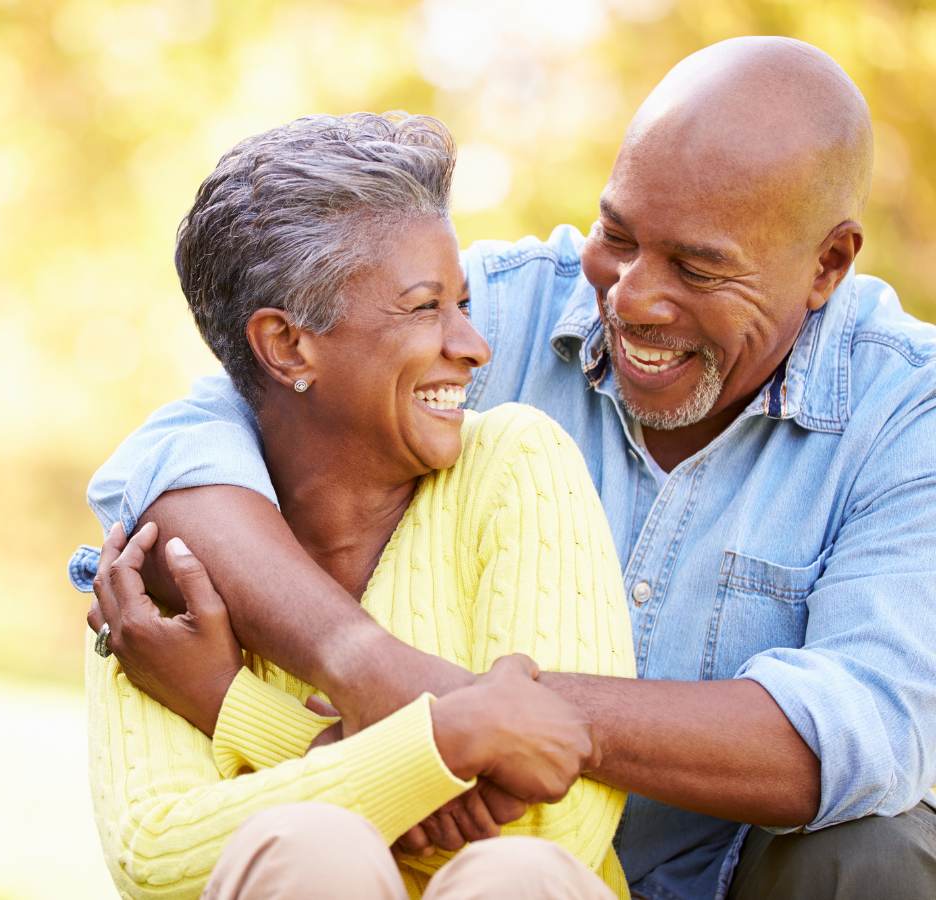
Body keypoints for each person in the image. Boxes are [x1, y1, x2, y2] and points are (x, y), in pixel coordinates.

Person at [81, 37, 936, 899]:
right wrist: (368, 667)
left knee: (882, 850)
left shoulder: (910, 412)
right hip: (459, 872)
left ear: (828, 264)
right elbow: (186, 450)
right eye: (618, 234)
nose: (631, 298)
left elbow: (863, 728)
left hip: (720, 879)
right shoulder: (493, 304)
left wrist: (462, 720)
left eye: (697, 267)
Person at [70, 112, 638, 899]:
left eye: (464, 304)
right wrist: (447, 742)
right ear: (288, 346)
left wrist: (233, 709)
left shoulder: (516, 464)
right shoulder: (163, 562)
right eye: (423, 307)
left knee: (515, 875)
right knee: (309, 852)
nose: (475, 346)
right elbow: (158, 857)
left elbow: (556, 827)